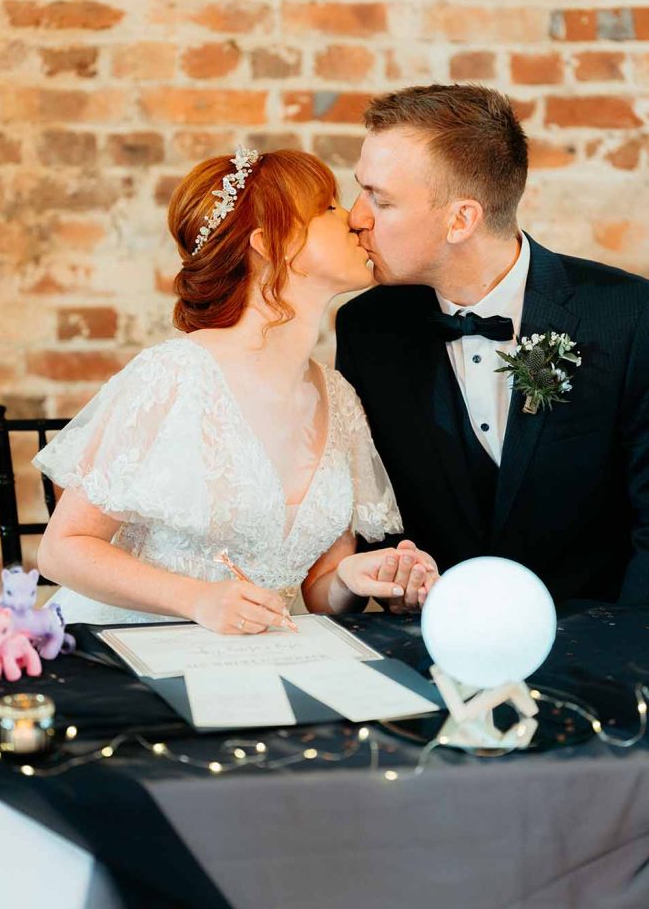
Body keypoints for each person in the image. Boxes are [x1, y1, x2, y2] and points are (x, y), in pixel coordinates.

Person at [33, 148, 438, 632]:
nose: (354, 217)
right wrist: (197, 600)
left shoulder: (339, 398)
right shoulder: (174, 376)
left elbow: (318, 590)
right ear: (271, 244)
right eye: (329, 207)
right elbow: (61, 549)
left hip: (255, 664)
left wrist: (351, 577)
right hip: (125, 653)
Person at [336, 84, 649, 608]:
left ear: (461, 219)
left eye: (380, 199)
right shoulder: (367, 329)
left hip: (600, 656)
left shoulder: (630, 316)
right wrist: (399, 583)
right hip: (432, 652)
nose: (356, 216)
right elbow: (378, 510)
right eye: (361, 190)